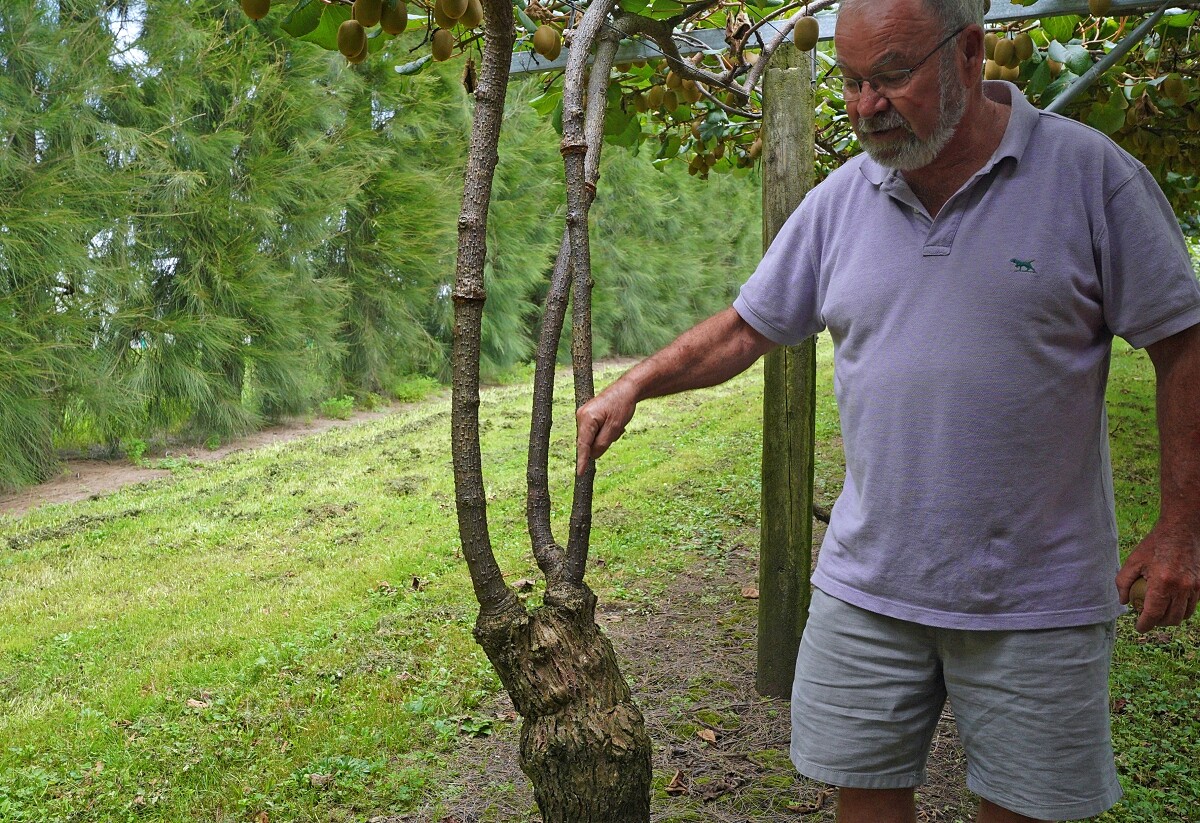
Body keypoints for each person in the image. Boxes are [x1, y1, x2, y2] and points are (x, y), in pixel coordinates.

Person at [574, 0, 1200, 820]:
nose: (867, 106)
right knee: (863, 800)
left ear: (970, 54)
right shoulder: (843, 199)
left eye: (893, 77)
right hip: (869, 586)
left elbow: (1183, 343)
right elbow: (745, 328)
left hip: (1035, 597)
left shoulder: (1090, 177)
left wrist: (1183, 524)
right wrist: (633, 384)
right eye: (852, 81)